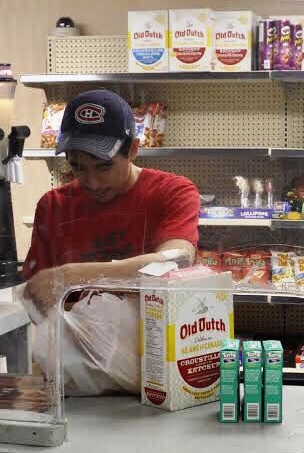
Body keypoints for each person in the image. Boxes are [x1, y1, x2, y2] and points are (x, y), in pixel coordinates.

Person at [21, 89, 200, 308]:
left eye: (103, 167)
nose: (92, 182)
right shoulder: (53, 206)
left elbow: (177, 260)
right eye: (77, 167)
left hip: (156, 336)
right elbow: (37, 289)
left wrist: (71, 276)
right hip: (74, 339)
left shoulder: (172, 192)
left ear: (133, 149)